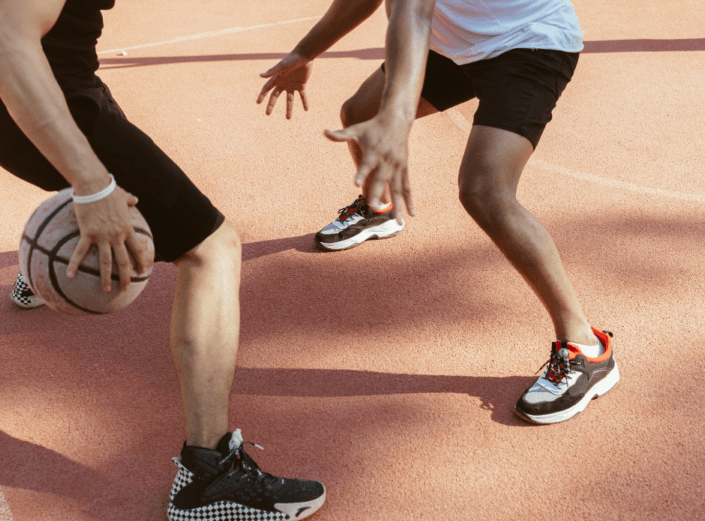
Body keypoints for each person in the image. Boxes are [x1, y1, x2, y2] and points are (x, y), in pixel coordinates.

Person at [0, 0, 325, 521]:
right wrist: (91, 183)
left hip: (15, 97)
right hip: (42, 92)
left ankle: (57, 266)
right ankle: (209, 475)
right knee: (211, 247)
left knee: (112, 171)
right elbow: (4, 44)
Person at [258, 0, 619, 424]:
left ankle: (587, 349)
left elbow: (412, 12)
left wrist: (396, 117)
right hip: (451, 46)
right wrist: (306, 52)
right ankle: (379, 209)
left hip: (527, 44)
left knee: (485, 192)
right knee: (360, 113)